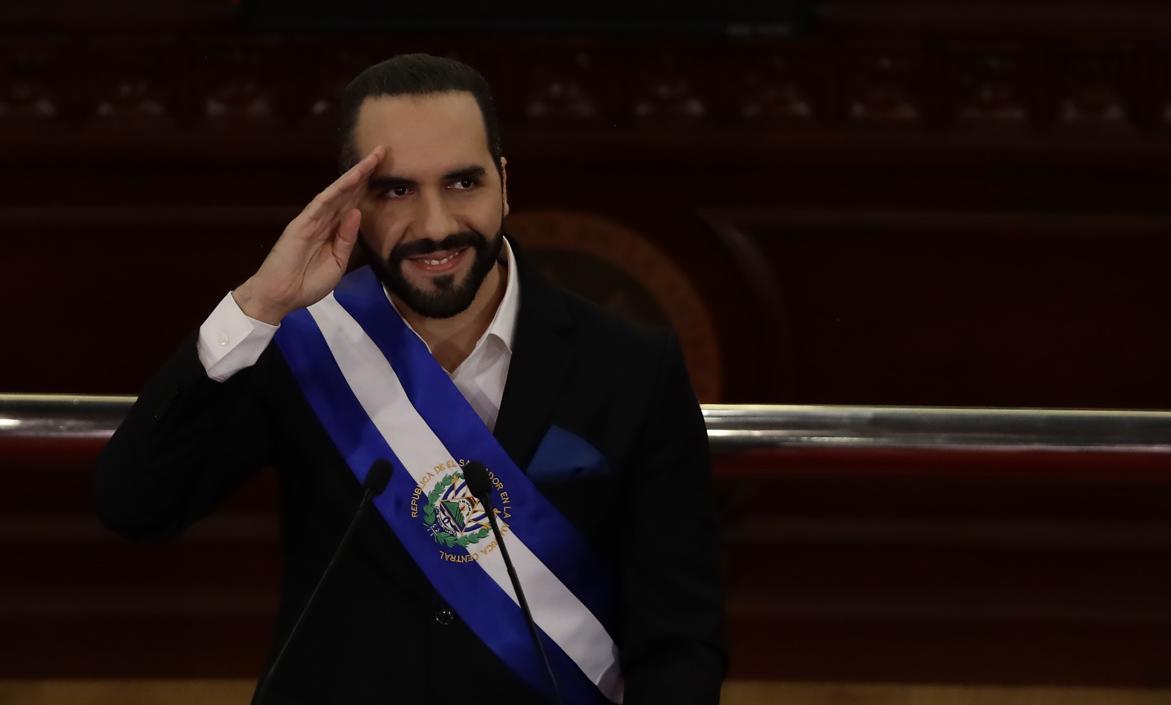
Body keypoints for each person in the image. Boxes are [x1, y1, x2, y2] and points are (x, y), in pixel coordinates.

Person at [95, 53, 725, 704]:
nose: (435, 226)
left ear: (504, 184)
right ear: (348, 201)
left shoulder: (631, 365)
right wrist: (257, 304)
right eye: (395, 189)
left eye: (463, 183)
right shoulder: (302, 344)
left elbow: (679, 636)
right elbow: (134, 504)